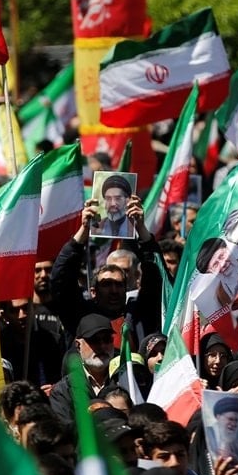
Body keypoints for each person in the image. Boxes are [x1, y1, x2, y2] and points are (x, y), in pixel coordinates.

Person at [49, 194, 163, 343]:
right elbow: (61, 279)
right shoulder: (80, 314)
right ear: (93, 292)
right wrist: (84, 230)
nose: (114, 290)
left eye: (119, 284)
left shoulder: (138, 315)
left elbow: (155, 275)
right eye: (107, 284)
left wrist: (140, 228)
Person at [48, 315, 116, 422]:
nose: (102, 346)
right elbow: (64, 428)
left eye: (107, 339)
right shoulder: (63, 391)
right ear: (78, 345)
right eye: (94, 340)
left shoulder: (124, 380)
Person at [207, 396, 238, 468]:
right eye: (230, 419)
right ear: (218, 417)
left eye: (236, 420)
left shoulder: (237, 444)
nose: (234, 424)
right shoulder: (207, 434)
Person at [94, 173, 135, 238]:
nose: (113, 204)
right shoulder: (97, 227)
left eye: (118, 198)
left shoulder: (135, 228)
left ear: (127, 201)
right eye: (108, 198)